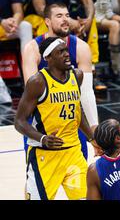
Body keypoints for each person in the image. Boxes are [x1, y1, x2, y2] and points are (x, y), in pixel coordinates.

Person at [14, 37, 97, 200]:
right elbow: (19, 121)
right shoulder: (37, 82)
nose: (67, 54)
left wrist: (92, 138)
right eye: (61, 52)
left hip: (73, 153)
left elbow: (77, 113)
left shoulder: (77, 76)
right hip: (45, 156)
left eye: (66, 50)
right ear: (48, 58)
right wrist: (42, 138)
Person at [22, 2, 99, 160]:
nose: (65, 20)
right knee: (41, 181)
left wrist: (93, 127)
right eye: (59, 16)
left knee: (79, 177)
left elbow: (86, 93)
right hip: (42, 121)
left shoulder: (81, 48)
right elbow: (32, 93)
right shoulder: (32, 48)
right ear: (47, 22)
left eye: (67, 16)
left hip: (71, 121)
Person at [24, 0, 106, 92]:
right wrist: (68, 21)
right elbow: (40, 8)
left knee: (92, 21)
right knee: (46, 26)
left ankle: (92, 69)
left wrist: (86, 22)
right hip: (36, 16)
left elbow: (88, 2)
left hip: (62, 15)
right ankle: (47, 68)